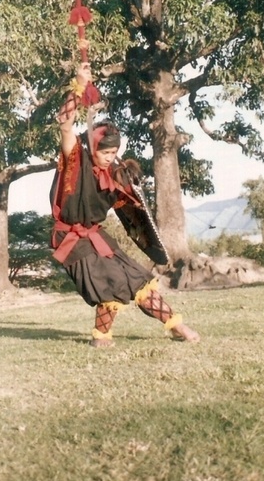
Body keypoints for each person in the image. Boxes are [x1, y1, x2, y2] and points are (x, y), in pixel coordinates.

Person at [50, 63, 200, 347]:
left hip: (96, 236)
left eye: (114, 152)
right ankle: (101, 336)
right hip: (71, 238)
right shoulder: (75, 162)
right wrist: (79, 86)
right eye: (105, 151)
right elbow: (64, 124)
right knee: (110, 283)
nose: (109, 157)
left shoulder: (115, 175)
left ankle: (176, 325)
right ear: (93, 148)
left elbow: (133, 211)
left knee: (137, 279)